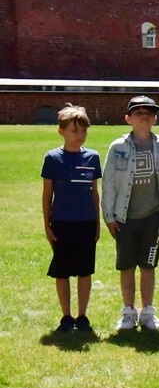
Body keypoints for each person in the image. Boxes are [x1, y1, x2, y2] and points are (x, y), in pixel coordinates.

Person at [101, 96, 159, 331]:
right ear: (128, 119)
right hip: (125, 218)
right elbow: (109, 184)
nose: (143, 116)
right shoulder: (118, 148)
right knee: (126, 266)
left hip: (152, 216)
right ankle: (128, 311)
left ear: (155, 118)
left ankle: (148, 310)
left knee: (148, 265)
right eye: (138, 112)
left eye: (148, 113)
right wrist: (109, 216)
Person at [42, 104, 102, 333]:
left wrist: (97, 223)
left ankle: (82, 315)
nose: (79, 136)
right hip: (61, 222)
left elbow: (94, 192)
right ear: (62, 131)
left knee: (85, 270)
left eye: (83, 131)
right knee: (63, 270)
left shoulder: (93, 157)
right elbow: (48, 194)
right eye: (74, 131)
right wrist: (47, 224)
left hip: (85, 222)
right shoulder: (53, 158)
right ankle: (66, 316)